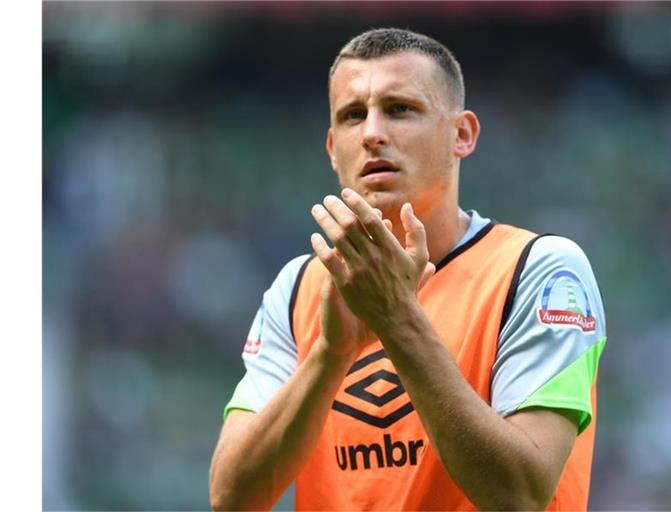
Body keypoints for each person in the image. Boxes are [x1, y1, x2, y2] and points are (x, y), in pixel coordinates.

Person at [209, 28, 606, 511]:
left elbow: (519, 496)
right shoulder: (298, 288)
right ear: (334, 149)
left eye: (400, 109)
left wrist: (397, 318)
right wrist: (330, 354)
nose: (373, 132)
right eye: (353, 115)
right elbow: (231, 498)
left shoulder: (539, 272)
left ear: (461, 135)